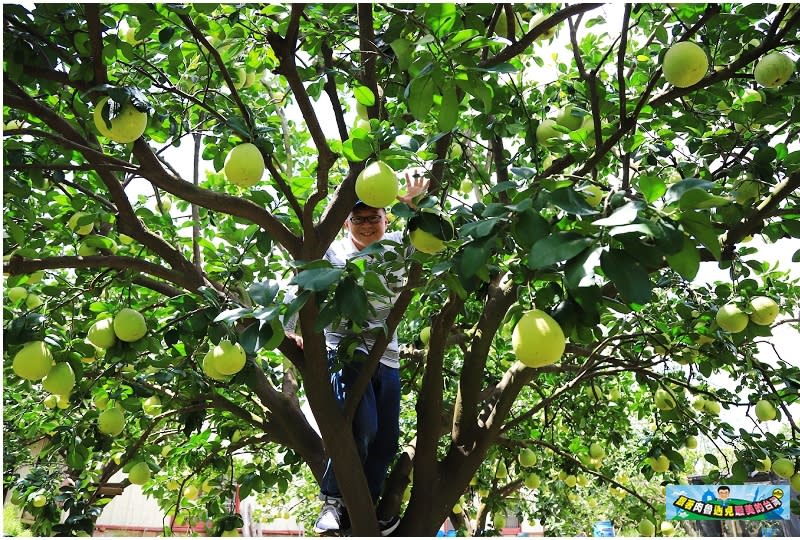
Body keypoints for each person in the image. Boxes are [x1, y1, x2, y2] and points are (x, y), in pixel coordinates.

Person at [285, 171, 429, 536]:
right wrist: (290, 331)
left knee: (386, 440)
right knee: (361, 426)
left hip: (387, 356)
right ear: (347, 222)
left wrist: (418, 205)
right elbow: (298, 286)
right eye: (359, 219)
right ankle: (333, 500)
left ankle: (367, 505)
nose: (367, 225)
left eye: (374, 218)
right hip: (344, 351)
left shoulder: (397, 247)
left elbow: (431, 239)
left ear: (386, 219)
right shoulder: (332, 254)